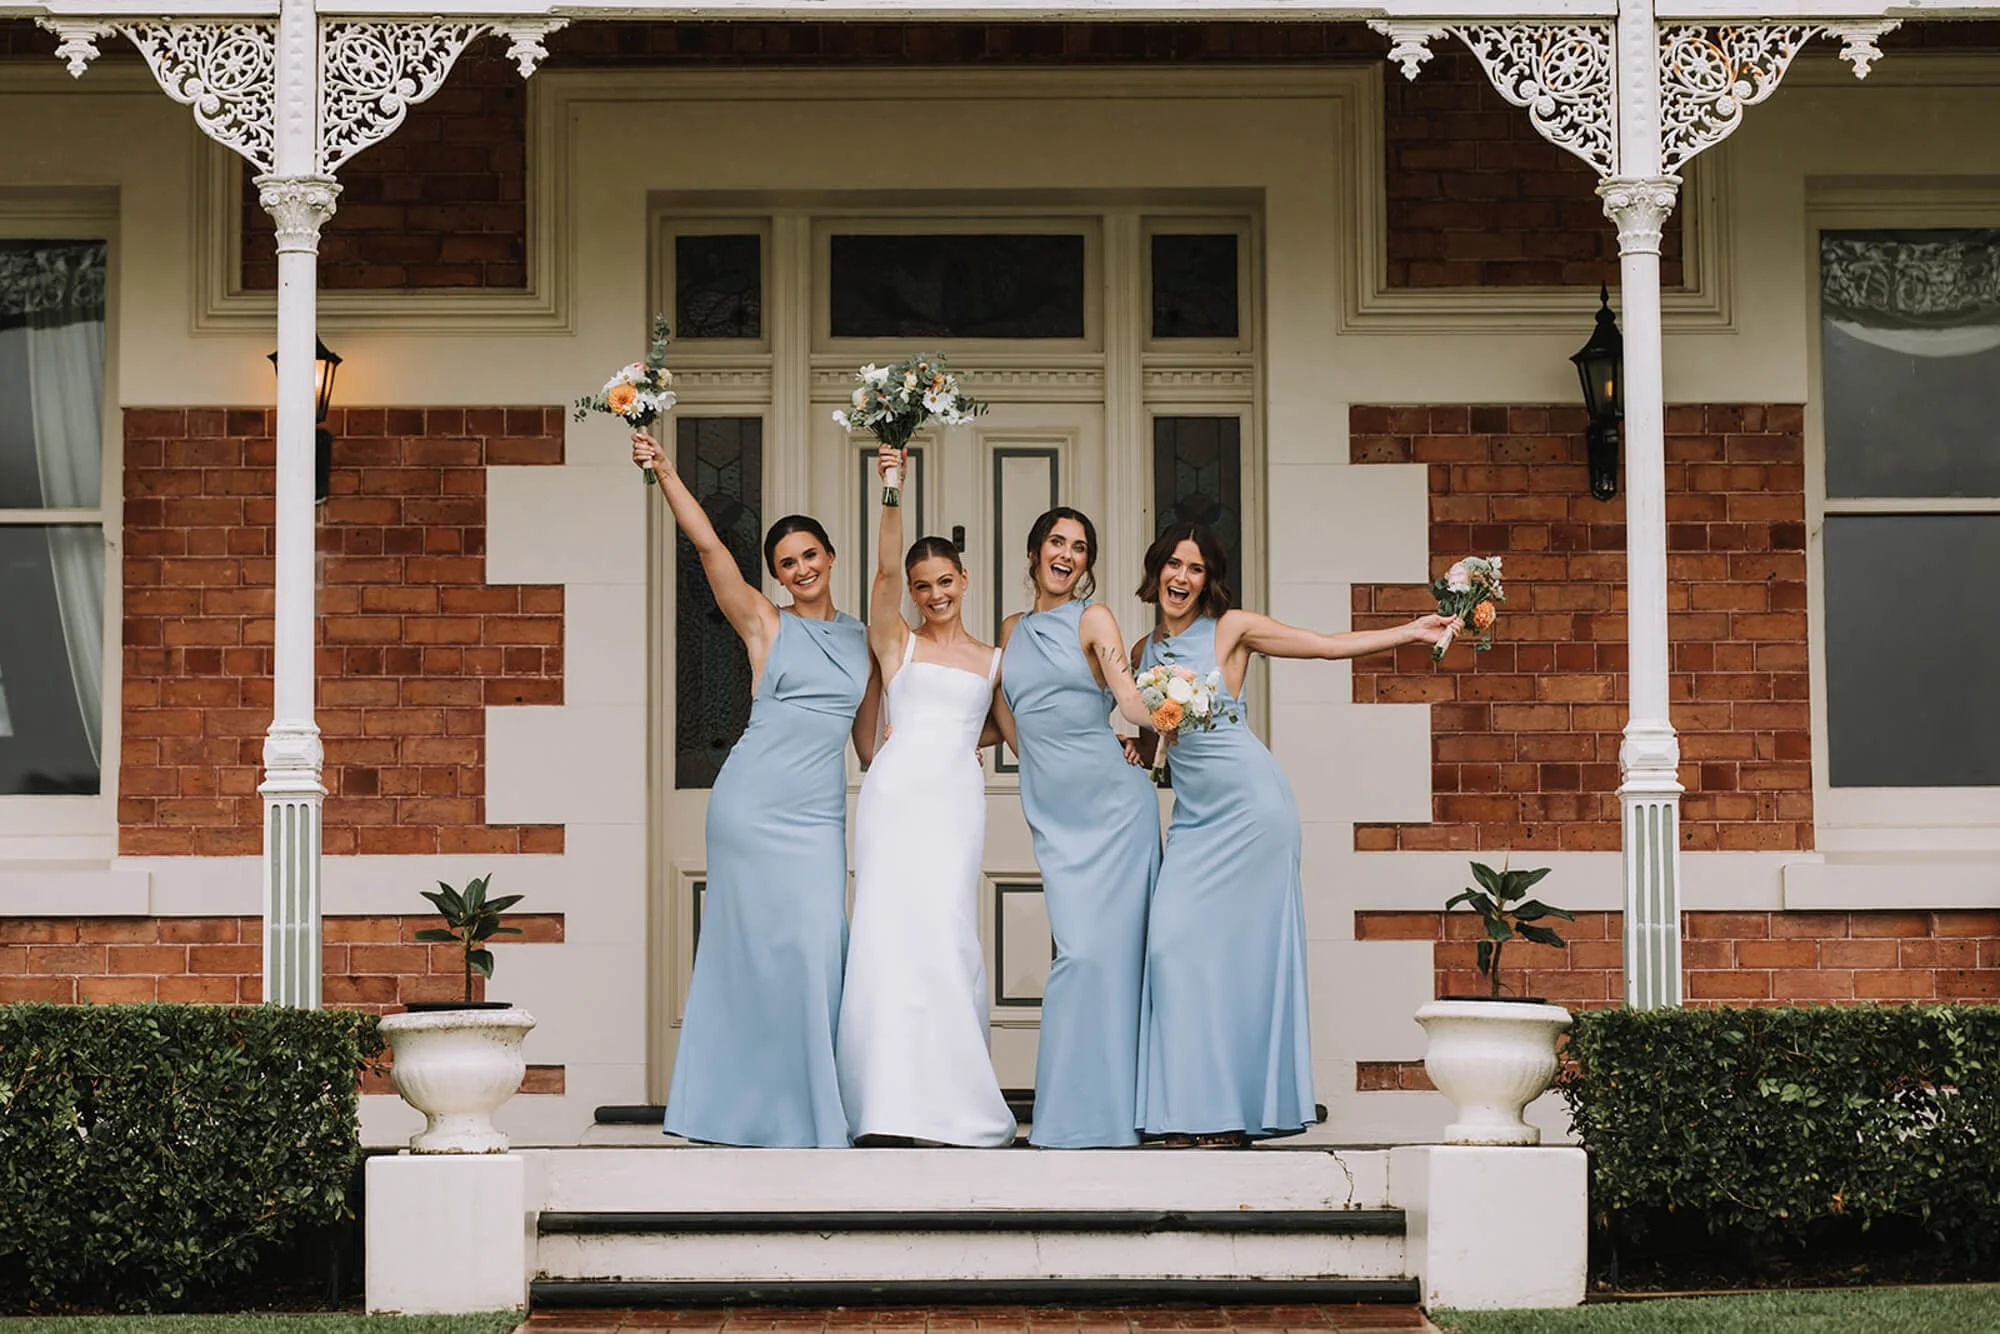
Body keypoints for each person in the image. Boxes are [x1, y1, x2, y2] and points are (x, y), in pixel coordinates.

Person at [1130, 522, 1455, 1147]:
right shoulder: (1145, 650)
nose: (1181, 577)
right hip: (1195, 821)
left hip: (1253, 811)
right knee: (1174, 951)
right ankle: (1188, 1111)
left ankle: (1228, 1121)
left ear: (1208, 581)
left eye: (1195, 569)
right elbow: (1152, 740)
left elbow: (1324, 644)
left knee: (1243, 964)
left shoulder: (1230, 630)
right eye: (1174, 564)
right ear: (1157, 570)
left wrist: (1412, 630)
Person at [633, 428, 878, 1149]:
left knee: (812, 947)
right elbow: (711, 550)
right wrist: (667, 470)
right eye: (786, 562)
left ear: (830, 558)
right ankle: (731, 1111)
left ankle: (805, 1110)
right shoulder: (765, 624)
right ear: (774, 575)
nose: (801, 569)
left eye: (810, 556)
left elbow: (871, 746)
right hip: (752, 804)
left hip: (816, 817)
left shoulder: (865, 640)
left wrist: (964, 744)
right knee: (747, 954)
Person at [836, 444, 1016, 1148]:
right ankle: (883, 1106)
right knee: (886, 935)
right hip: (895, 794)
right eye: (922, 584)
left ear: (964, 579)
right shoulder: (897, 643)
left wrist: (1125, 752)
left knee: (945, 935)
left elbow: (1015, 734)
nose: (935, 593)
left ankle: (951, 1103)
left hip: (954, 803)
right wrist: (891, 486)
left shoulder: (994, 660)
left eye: (945, 580)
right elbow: (880, 571)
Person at [991, 507, 1160, 1148]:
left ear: (1087, 563)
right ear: (1034, 551)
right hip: (1056, 817)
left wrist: (1179, 708)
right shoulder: (1011, 629)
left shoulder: (1094, 618)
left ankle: (1113, 1115)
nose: (1067, 555)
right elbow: (1008, 718)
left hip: (1115, 812)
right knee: (1077, 955)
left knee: (1107, 959)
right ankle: (1075, 1115)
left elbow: (1128, 697)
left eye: (1080, 547)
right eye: (1057, 542)